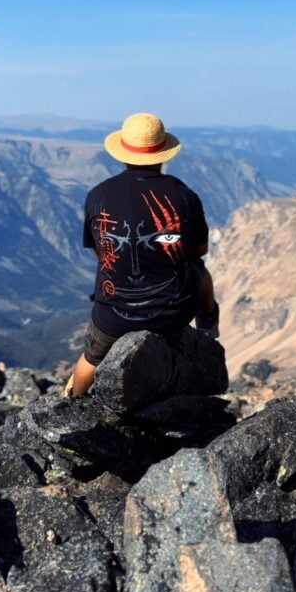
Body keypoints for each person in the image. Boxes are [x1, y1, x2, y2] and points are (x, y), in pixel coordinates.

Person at [69, 112, 220, 397]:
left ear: (122, 152)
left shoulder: (98, 195)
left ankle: (72, 404)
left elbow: (101, 252)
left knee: (90, 359)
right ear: (163, 154)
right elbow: (199, 250)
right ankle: (208, 320)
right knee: (197, 267)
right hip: (171, 315)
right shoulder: (184, 196)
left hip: (112, 314)